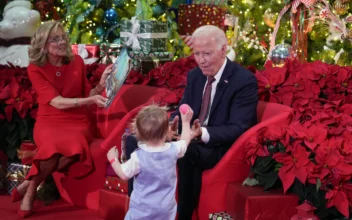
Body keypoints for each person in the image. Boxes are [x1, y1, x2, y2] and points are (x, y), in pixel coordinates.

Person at [126, 24, 258, 219]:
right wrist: (169, 128)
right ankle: (139, 208)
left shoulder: (243, 80)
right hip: (189, 136)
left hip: (218, 146)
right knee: (135, 141)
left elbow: (239, 128)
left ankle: (183, 215)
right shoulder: (195, 75)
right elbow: (184, 109)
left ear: (223, 50)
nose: (201, 61)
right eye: (197, 54)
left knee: (187, 153)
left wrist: (201, 133)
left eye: (207, 54)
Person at [11, 21, 113, 218]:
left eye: (63, 37)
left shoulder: (77, 61)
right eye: (55, 39)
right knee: (51, 147)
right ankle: (30, 191)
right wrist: (89, 99)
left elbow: (87, 95)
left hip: (77, 121)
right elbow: (56, 102)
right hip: (50, 119)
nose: (62, 41)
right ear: (43, 44)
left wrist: (100, 85)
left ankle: (30, 184)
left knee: (74, 146)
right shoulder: (36, 68)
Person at [107, 104, 193, 220]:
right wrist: (186, 121)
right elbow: (185, 141)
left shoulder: (138, 157)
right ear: (167, 130)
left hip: (142, 210)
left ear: (138, 133)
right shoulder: (173, 149)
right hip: (165, 210)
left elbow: (123, 174)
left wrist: (113, 159)